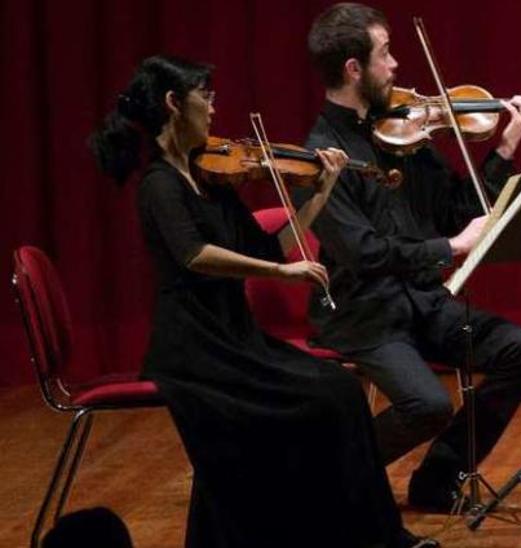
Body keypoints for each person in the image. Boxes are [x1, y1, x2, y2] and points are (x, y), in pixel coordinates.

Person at [89, 55, 430, 547]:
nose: (212, 108)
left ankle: (365, 534)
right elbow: (194, 255)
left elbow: (275, 247)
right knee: (321, 401)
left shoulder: (209, 179)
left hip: (236, 335)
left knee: (339, 390)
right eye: (204, 97)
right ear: (172, 104)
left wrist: (322, 189)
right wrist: (279, 274)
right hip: (196, 349)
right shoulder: (159, 185)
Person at [297, 2, 521, 511]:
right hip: (366, 313)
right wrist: (451, 248)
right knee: (426, 404)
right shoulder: (320, 157)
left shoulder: (403, 134)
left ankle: (437, 477)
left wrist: (504, 149)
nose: (395, 66)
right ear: (354, 69)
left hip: (424, 302)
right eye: (385, 54)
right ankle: (328, 478)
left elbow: (459, 208)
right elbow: (365, 253)